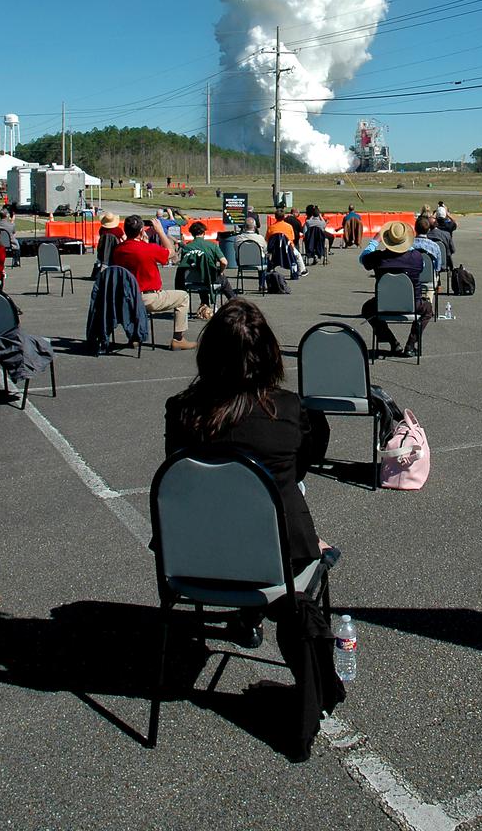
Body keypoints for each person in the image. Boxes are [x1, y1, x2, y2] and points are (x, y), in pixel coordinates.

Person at [164, 299, 331, 645]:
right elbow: (300, 469)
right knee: (283, 490)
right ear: (269, 353)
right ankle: (260, 612)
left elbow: (178, 472)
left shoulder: (181, 410)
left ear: (208, 353)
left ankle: (248, 615)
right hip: (272, 563)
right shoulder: (288, 409)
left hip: (194, 558)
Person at [112, 214, 197, 351]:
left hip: (126, 298)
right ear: (141, 231)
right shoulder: (148, 249)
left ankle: (134, 336)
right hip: (148, 297)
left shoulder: (118, 249)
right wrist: (161, 232)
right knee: (183, 297)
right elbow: (171, 253)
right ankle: (178, 339)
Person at [361, 220, 433, 357]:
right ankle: (411, 344)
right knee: (428, 309)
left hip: (383, 304)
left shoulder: (378, 258)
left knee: (367, 308)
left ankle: (392, 342)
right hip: (412, 304)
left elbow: (363, 259)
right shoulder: (416, 258)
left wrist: (375, 241)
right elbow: (422, 267)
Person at [178, 221, 235, 303]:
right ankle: (233, 300)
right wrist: (221, 271)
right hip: (210, 278)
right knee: (223, 280)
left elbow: (184, 265)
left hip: (192, 279)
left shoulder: (187, 248)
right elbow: (224, 262)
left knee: (200, 273)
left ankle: (205, 303)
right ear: (204, 232)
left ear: (191, 233)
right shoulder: (212, 245)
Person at [411, 215, 442, 300]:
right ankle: (429, 302)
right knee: (432, 281)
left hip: (411, 279)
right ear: (428, 230)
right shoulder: (435, 246)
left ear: (415, 229)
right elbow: (438, 268)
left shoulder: (408, 245)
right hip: (429, 279)